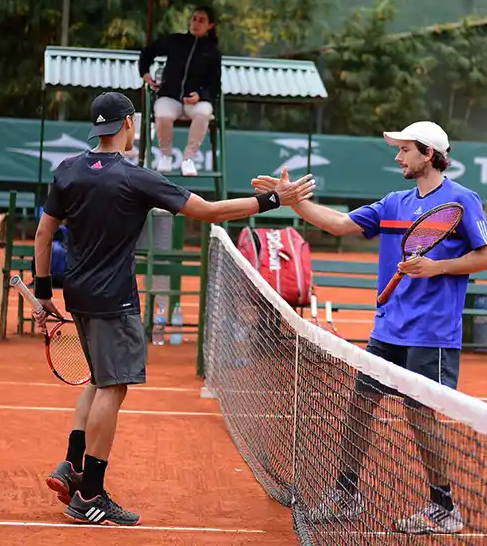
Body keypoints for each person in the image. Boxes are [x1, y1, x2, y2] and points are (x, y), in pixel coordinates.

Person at [33, 91, 314, 526]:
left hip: (79, 295)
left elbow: (43, 231)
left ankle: (71, 466)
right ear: (128, 124)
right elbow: (209, 212)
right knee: (114, 386)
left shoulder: (67, 171)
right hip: (114, 299)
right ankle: (90, 493)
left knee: (97, 378)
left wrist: (44, 290)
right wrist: (273, 200)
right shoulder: (135, 177)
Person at [251, 121, 487, 534]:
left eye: (405, 150)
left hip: (433, 334)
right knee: (359, 408)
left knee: (422, 417)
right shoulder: (394, 202)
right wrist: (292, 202)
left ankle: (444, 507)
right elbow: (338, 224)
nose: (398, 157)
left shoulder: (462, 201)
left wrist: (437, 267)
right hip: (388, 331)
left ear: (429, 154)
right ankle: (347, 494)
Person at [138, 5, 221, 176]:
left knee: (204, 112)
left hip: (195, 101)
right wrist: (145, 73)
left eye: (201, 20)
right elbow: (148, 52)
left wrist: (200, 96)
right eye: (194, 19)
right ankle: (165, 156)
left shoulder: (213, 52)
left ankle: (188, 159)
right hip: (170, 96)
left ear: (210, 25)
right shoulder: (176, 41)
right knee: (163, 115)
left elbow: (214, 84)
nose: (196, 23)